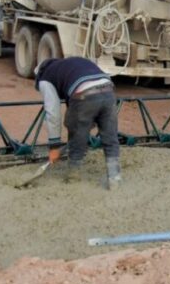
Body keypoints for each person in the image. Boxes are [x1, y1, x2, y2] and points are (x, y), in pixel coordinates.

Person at [34, 57, 121, 189]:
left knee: (77, 135)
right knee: (110, 137)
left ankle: (73, 177)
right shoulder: (69, 65)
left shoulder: (45, 78)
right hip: (108, 91)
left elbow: (52, 114)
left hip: (84, 93)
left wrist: (54, 146)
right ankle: (115, 179)